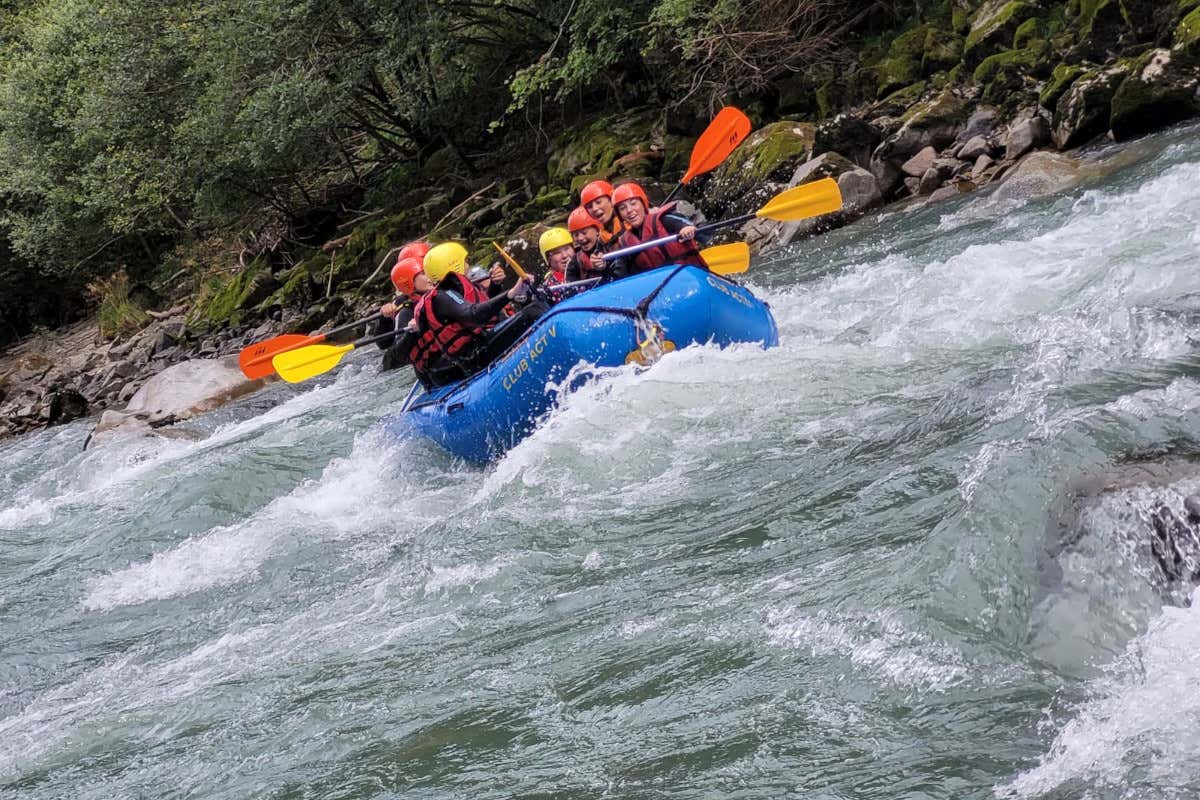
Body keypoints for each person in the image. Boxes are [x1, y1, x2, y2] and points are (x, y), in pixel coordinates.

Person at [408, 242, 545, 388]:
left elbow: (485, 306)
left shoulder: (452, 290)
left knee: (532, 307)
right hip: (475, 356)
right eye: (465, 261)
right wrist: (511, 293)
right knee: (533, 312)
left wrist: (500, 287)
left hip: (478, 348)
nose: (468, 264)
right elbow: (474, 314)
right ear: (453, 264)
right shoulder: (442, 296)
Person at [613, 181, 708, 274]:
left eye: (633, 203)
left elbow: (701, 232)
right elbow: (619, 274)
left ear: (643, 204)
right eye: (622, 208)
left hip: (689, 276)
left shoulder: (664, 220)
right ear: (620, 215)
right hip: (658, 287)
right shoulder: (624, 243)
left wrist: (687, 229)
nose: (629, 210)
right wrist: (602, 265)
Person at [374, 256, 431, 372]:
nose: (431, 275)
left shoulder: (441, 292)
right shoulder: (405, 311)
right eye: (425, 272)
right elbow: (396, 353)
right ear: (409, 282)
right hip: (403, 367)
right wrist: (411, 332)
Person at [565, 206, 627, 284]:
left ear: (597, 230)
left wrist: (604, 267)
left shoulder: (611, 249)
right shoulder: (574, 263)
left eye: (584, 233)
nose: (580, 238)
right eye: (576, 235)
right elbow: (570, 288)